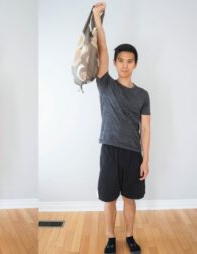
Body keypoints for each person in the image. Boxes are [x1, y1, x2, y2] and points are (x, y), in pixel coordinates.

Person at [93, 3, 151, 254]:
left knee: (130, 199)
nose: (125, 65)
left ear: (135, 64)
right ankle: (110, 238)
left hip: (132, 153)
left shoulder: (143, 95)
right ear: (115, 63)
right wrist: (98, 17)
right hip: (109, 149)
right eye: (121, 61)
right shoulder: (106, 84)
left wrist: (145, 159)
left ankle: (129, 236)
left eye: (130, 61)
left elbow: (146, 129)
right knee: (109, 199)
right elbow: (102, 48)